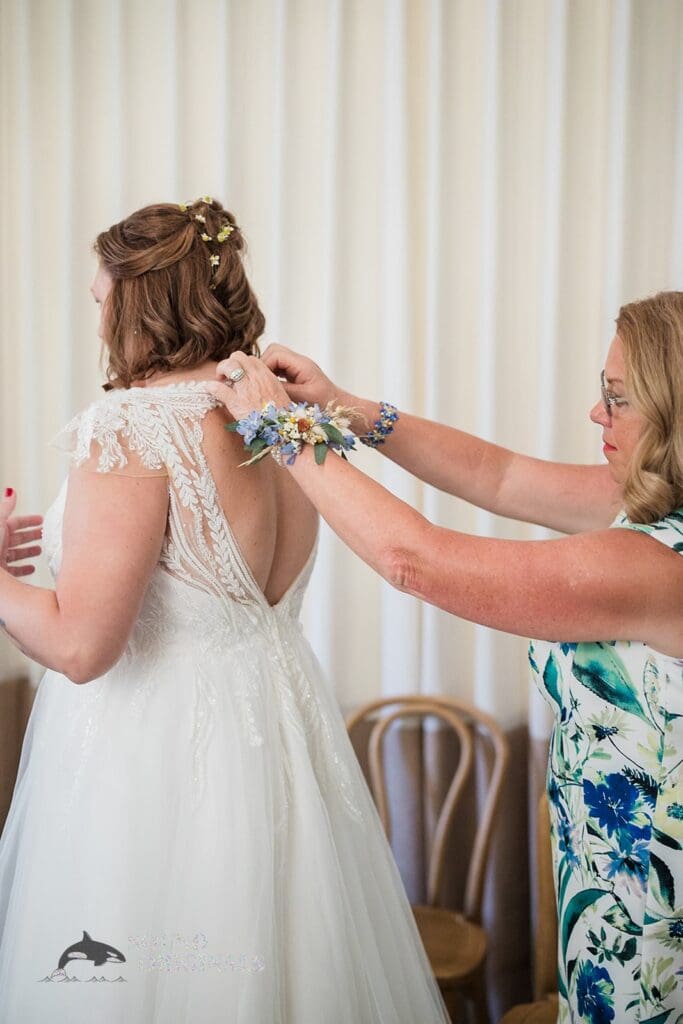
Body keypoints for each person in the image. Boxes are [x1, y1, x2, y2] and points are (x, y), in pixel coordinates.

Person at [0, 197, 451, 1023]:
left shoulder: (131, 426)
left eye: (102, 300)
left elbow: (79, 647)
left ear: (138, 302)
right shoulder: (286, 420)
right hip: (282, 743)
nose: (98, 320)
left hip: (155, 766)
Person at [208, 291, 683, 1023]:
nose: (597, 414)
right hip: (611, 879)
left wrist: (282, 427)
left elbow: (414, 561)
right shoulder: (650, 504)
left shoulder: (652, 566)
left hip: (649, 913)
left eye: (615, 399)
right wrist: (348, 408)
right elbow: (499, 477)